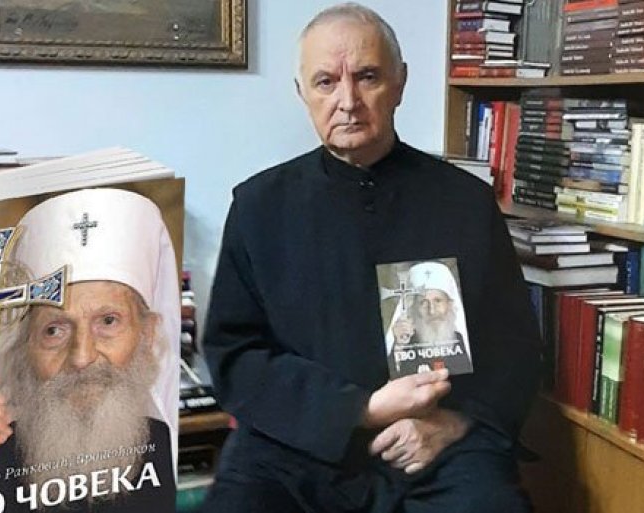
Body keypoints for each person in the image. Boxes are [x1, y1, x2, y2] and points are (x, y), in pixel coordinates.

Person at [201, 3, 542, 513]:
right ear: (302, 93)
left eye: (367, 77)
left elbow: (513, 347)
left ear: (400, 83)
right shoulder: (258, 206)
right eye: (325, 82)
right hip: (294, 447)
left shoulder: (465, 202)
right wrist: (358, 409)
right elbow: (236, 354)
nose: (348, 101)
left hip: (435, 443)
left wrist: (453, 424)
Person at [0, 188, 181, 513]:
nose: (82, 357)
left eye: (108, 321)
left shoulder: (167, 448)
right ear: (24, 345)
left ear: (147, 334)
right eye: (54, 330)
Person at [387, 261, 472, 377]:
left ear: (450, 305)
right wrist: (399, 347)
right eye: (423, 302)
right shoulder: (404, 345)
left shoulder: (461, 340)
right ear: (414, 308)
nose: (432, 311)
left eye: (438, 301)